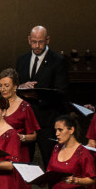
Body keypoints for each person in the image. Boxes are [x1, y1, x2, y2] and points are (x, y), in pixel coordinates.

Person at [16, 25, 69, 165]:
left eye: (41, 42)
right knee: (23, 163)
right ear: (29, 40)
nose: (37, 45)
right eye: (34, 41)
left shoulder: (58, 61)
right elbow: (15, 86)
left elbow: (62, 92)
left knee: (51, 163)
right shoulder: (22, 60)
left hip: (48, 122)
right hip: (26, 121)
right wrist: (20, 88)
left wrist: (37, 96)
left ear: (48, 40)